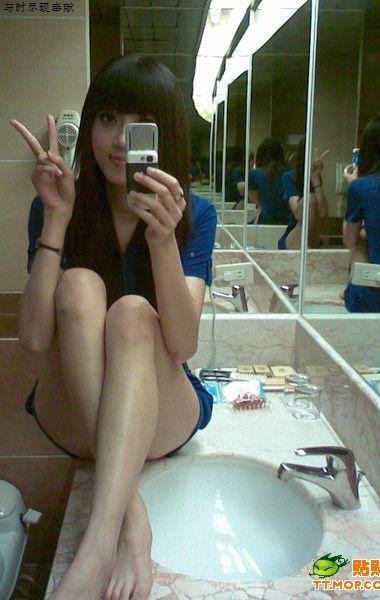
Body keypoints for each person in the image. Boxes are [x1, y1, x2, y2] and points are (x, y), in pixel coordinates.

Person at [10, 53, 217, 600]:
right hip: (73, 414)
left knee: (132, 315)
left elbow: (182, 344)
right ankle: (130, 521)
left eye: (140, 125)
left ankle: (96, 546)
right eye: (107, 119)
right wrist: (56, 219)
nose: (121, 141)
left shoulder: (192, 213)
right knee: (79, 287)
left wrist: (163, 241)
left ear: (166, 135)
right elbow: (33, 339)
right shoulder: (58, 202)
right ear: (89, 125)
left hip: (161, 416)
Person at [343, 114, 380, 312]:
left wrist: (354, 185)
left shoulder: (361, 187)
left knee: (360, 245)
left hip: (374, 300)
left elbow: (349, 241)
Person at [278, 136, 329, 249]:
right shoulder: (289, 177)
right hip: (295, 235)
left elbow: (323, 213)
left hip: (312, 238)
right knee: (310, 198)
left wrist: (316, 180)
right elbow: (298, 214)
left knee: (312, 198)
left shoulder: (315, 178)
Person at [247, 138, 290, 224]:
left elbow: (255, 201)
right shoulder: (291, 173)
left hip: (266, 221)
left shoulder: (254, 173)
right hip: (289, 223)